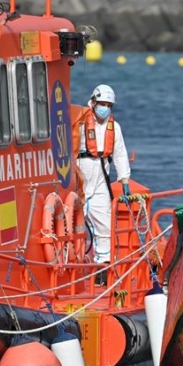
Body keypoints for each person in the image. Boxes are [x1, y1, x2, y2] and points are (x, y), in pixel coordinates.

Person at [76, 84, 130, 265]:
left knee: (105, 225)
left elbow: (120, 153)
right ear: (93, 102)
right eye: (102, 104)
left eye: (108, 105)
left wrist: (124, 179)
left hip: (101, 178)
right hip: (80, 174)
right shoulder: (80, 121)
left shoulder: (115, 128)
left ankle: (103, 264)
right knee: (72, 223)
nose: (105, 108)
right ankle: (72, 262)